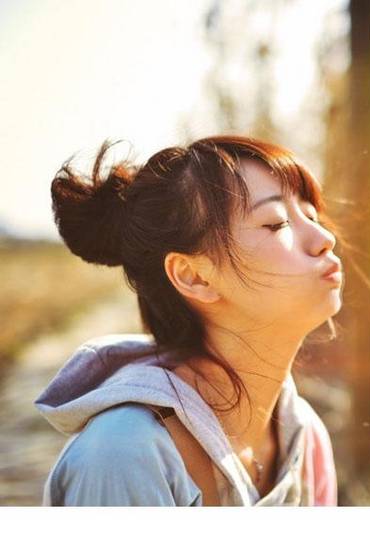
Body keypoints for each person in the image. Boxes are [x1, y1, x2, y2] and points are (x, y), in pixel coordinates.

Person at [34, 135, 344, 506]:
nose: (324, 238)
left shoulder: (306, 441)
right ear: (194, 276)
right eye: (276, 223)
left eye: (310, 215)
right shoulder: (123, 454)